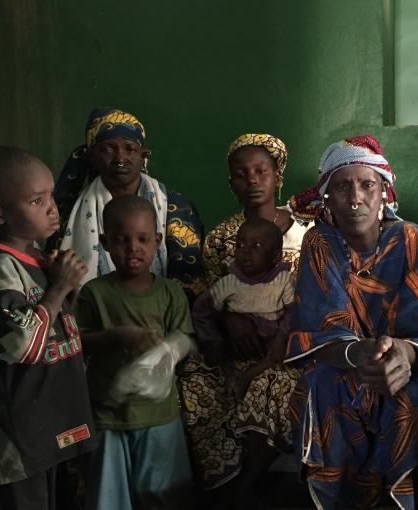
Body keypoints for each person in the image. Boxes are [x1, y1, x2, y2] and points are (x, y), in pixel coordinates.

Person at [286, 134, 418, 509]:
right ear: (326, 197)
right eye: (343, 187)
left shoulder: (415, 239)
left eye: (367, 185)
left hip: (406, 360)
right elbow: (323, 323)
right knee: (317, 388)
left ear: (385, 193)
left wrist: (401, 354)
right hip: (346, 359)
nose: (355, 197)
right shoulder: (319, 243)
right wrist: (362, 352)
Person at [0, 146, 96, 510]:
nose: (52, 207)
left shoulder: (37, 259)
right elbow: (25, 346)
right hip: (17, 436)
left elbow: (61, 330)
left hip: (48, 421)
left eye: (51, 194)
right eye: (37, 201)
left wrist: (61, 284)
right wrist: (59, 288)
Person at [179, 133, 307, 498]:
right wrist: (228, 322)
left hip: (289, 346)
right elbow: (211, 299)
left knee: (277, 383)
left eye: (261, 171)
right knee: (194, 378)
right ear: (231, 184)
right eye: (241, 174)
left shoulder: (308, 232)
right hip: (236, 347)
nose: (252, 181)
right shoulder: (220, 239)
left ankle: (247, 488)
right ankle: (224, 483)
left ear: (277, 176)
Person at [74, 195, 194, 510]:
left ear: (157, 241)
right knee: (109, 497)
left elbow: (183, 342)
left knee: (161, 494)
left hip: (159, 414)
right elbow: (76, 343)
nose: (132, 248)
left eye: (142, 239)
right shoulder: (95, 294)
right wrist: (116, 337)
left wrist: (165, 350)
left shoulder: (170, 293)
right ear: (104, 243)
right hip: (109, 414)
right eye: (121, 240)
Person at [52, 107, 205, 301]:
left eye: (130, 149)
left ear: (143, 157)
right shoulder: (68, 211)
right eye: (108, 149)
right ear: (92, 157)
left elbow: (190, 281)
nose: (120, 159)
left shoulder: (175, 207)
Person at [192, 217, 294, 402]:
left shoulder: (283, 280)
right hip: (239, 345)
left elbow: (294, 312)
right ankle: (231, 376)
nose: (245, 251)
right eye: (239, 245)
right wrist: (211, 341)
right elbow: (201, 310)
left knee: (289, 348)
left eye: (256, 245)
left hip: (273, 343)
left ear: (276, 256)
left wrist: (281, 338)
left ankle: (250, 374)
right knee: (218, 357)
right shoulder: (230, 283)